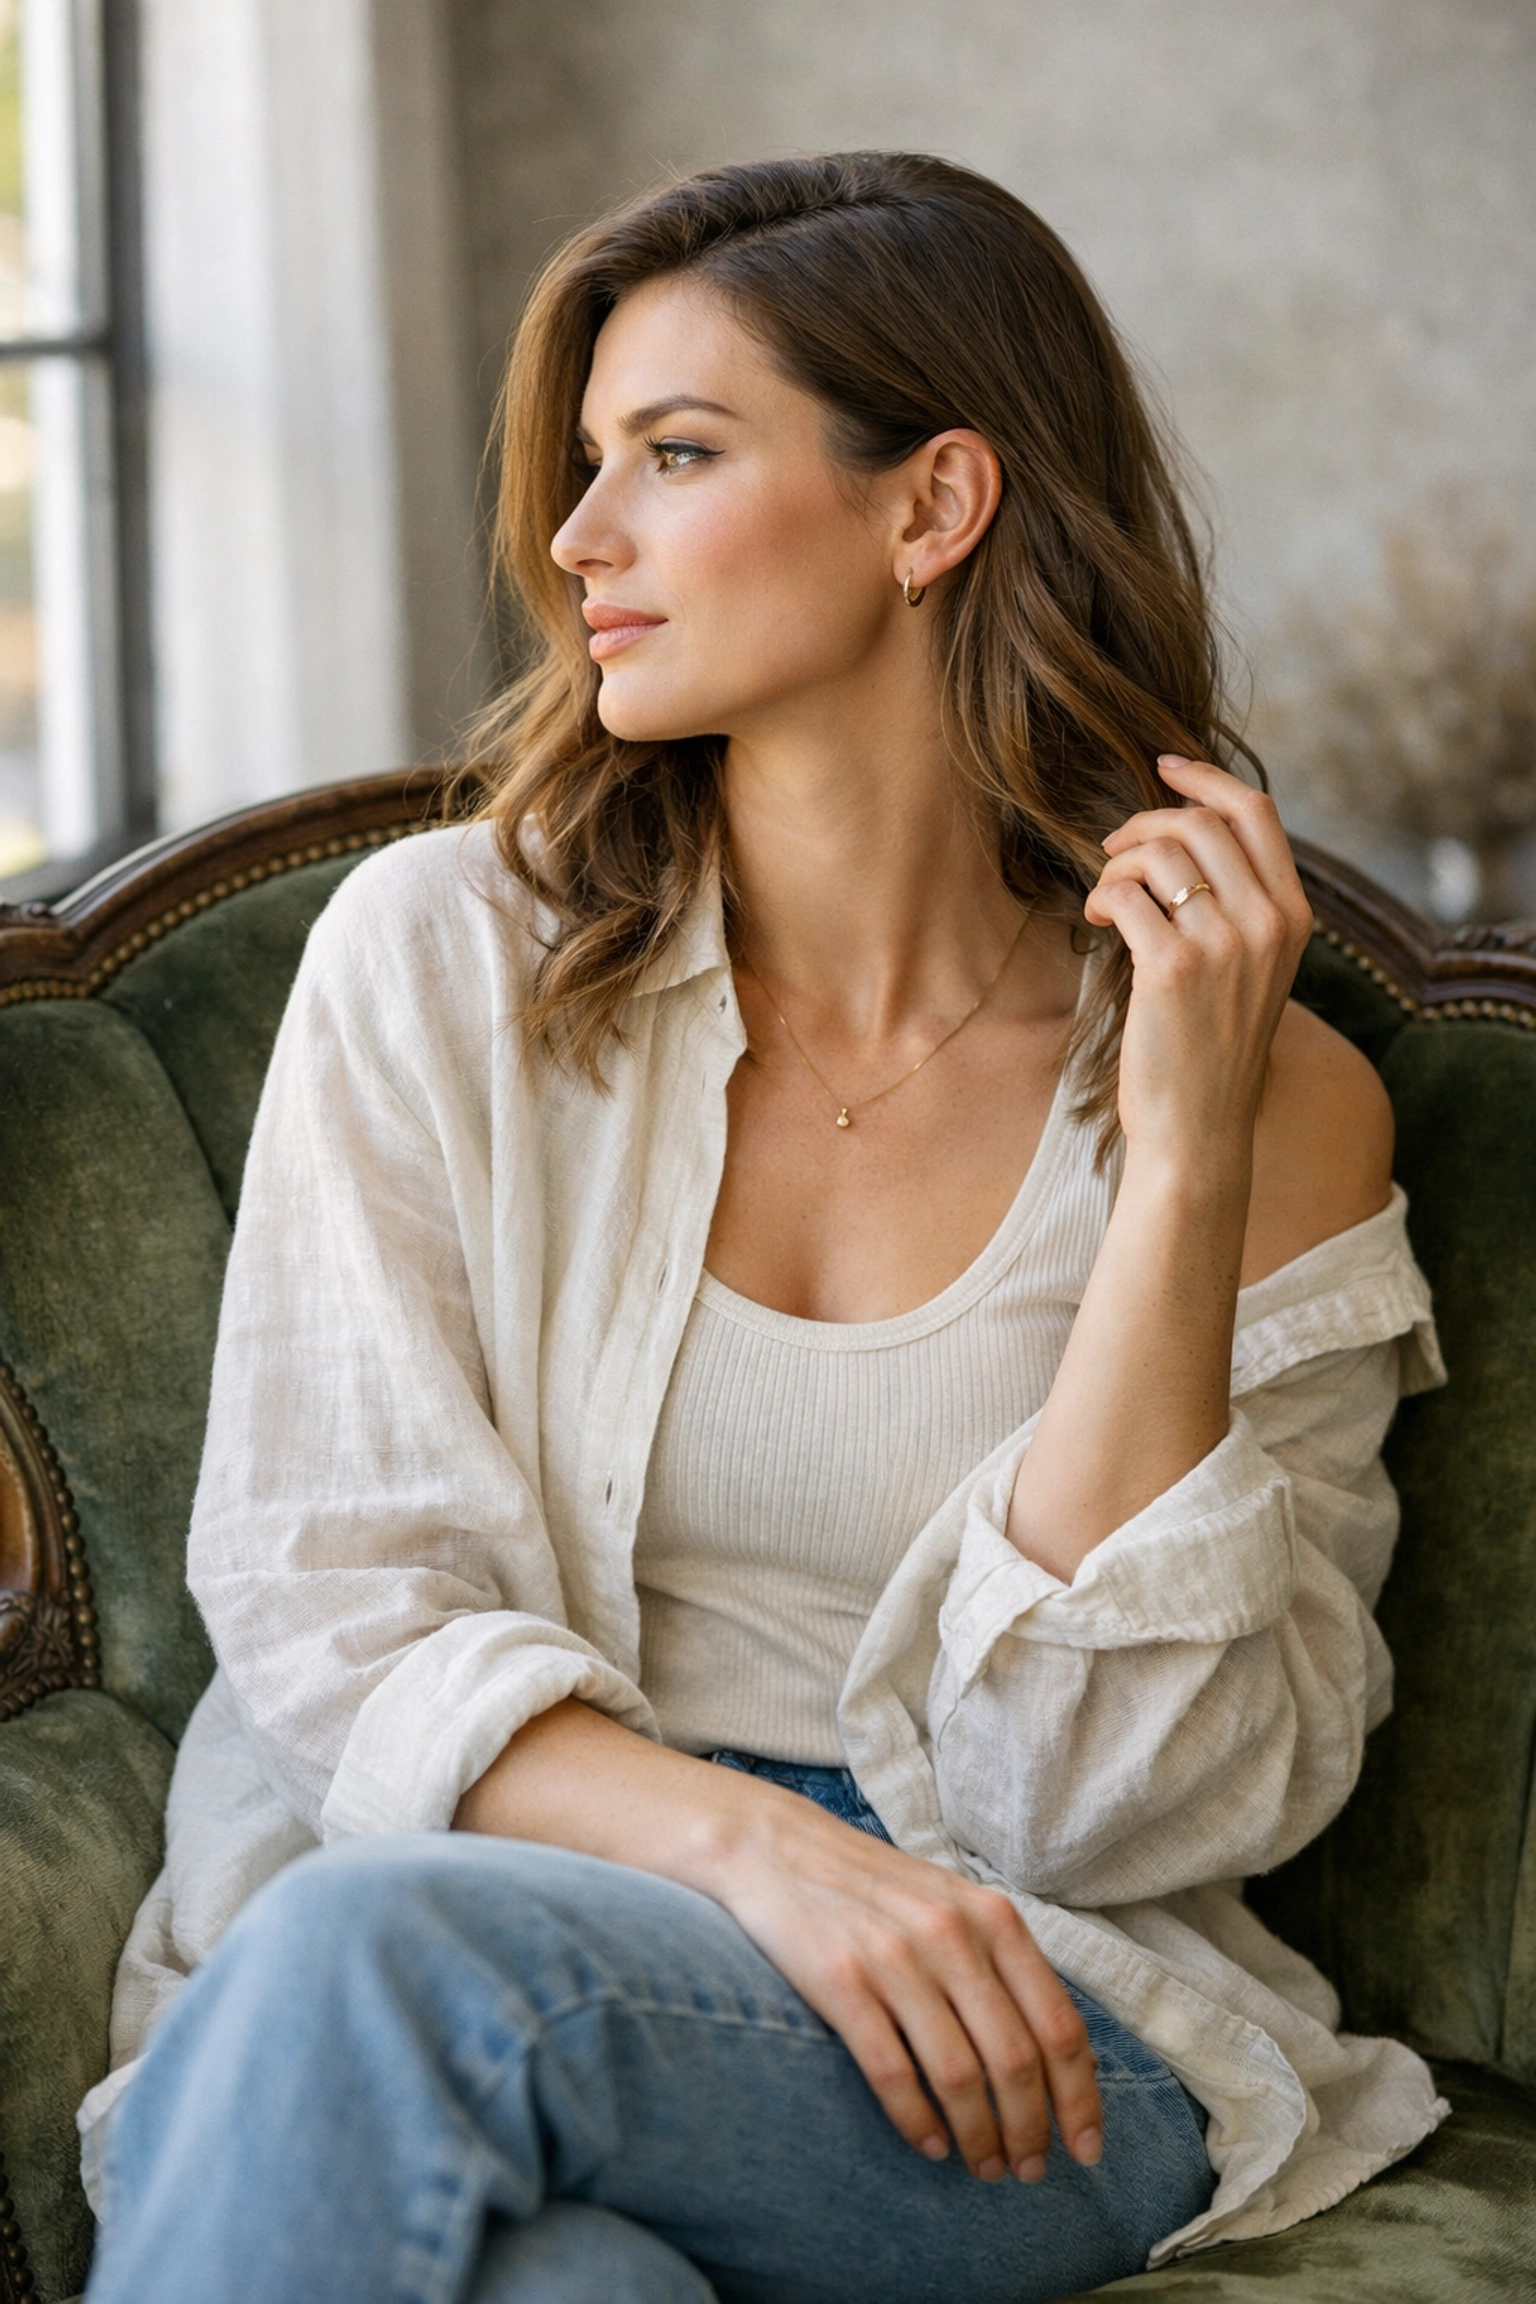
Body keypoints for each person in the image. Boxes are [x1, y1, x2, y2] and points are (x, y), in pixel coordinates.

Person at [81, 153, 1447, 2304]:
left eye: (677, 457)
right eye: (586, 464)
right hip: (469, 1917)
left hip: (1013, 2014)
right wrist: (768, 1854)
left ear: (933, 507)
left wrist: (1175, 1159)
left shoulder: (1265, 1094)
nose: (577, 539)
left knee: (382, 1967)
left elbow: (1130, 1811)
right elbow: (332, 1590)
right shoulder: (436, 962)